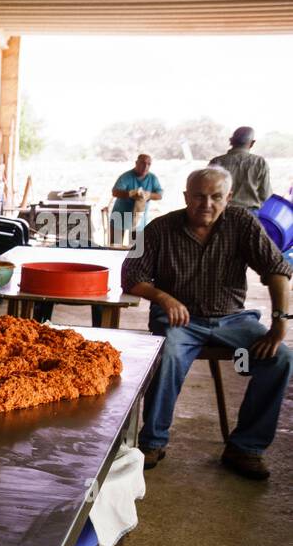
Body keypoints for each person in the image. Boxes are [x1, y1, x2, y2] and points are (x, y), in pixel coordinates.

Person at [122, 166, 292, 480]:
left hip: (233, 321)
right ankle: (153, 441)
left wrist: (281, 323)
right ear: (186, 196)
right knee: (168, 353)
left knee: (280, 359)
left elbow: (277, 269)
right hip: (180, 321)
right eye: (199, 196)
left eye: (216, 197)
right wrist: (163, 297)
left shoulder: (242, 223)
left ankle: (245, 447)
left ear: (229, 198)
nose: (206, 204)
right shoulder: (159, 228)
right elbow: (130, 276)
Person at [209, 126, 272, 213]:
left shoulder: (217, 162)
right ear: (252, 143)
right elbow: (265, 195)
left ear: (231, 140)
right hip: (250, 213)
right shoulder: (260, 162)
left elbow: (207, 190)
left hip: (222, 211)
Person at [108, 153, 163, 247]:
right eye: (143, 163)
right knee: (115, 247)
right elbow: (115, 192)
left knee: (135, 250)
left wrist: (148, 195)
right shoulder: (126, 177)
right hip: (120, 215)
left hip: (138, 218)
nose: (146, 166)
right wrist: (130, 194)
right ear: (136, 163)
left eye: (149, 164)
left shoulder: (152, 178)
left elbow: (159, 195)